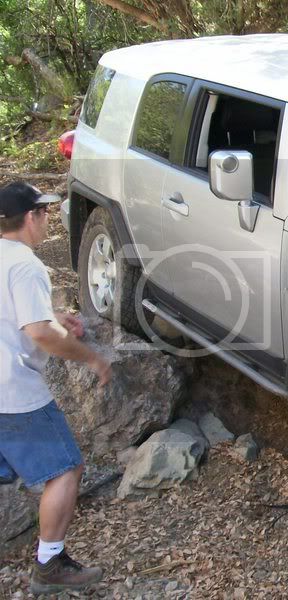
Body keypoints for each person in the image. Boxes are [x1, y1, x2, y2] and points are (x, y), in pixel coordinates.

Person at [0, 182, 111, 595]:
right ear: (31, 217)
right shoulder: (27, 265)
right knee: (65, 468)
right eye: (44, 213)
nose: (47, 220)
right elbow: (39, 334)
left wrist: (54, 313)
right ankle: (49, 563)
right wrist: (91, 357)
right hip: (13, 391)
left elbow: (19, 312)